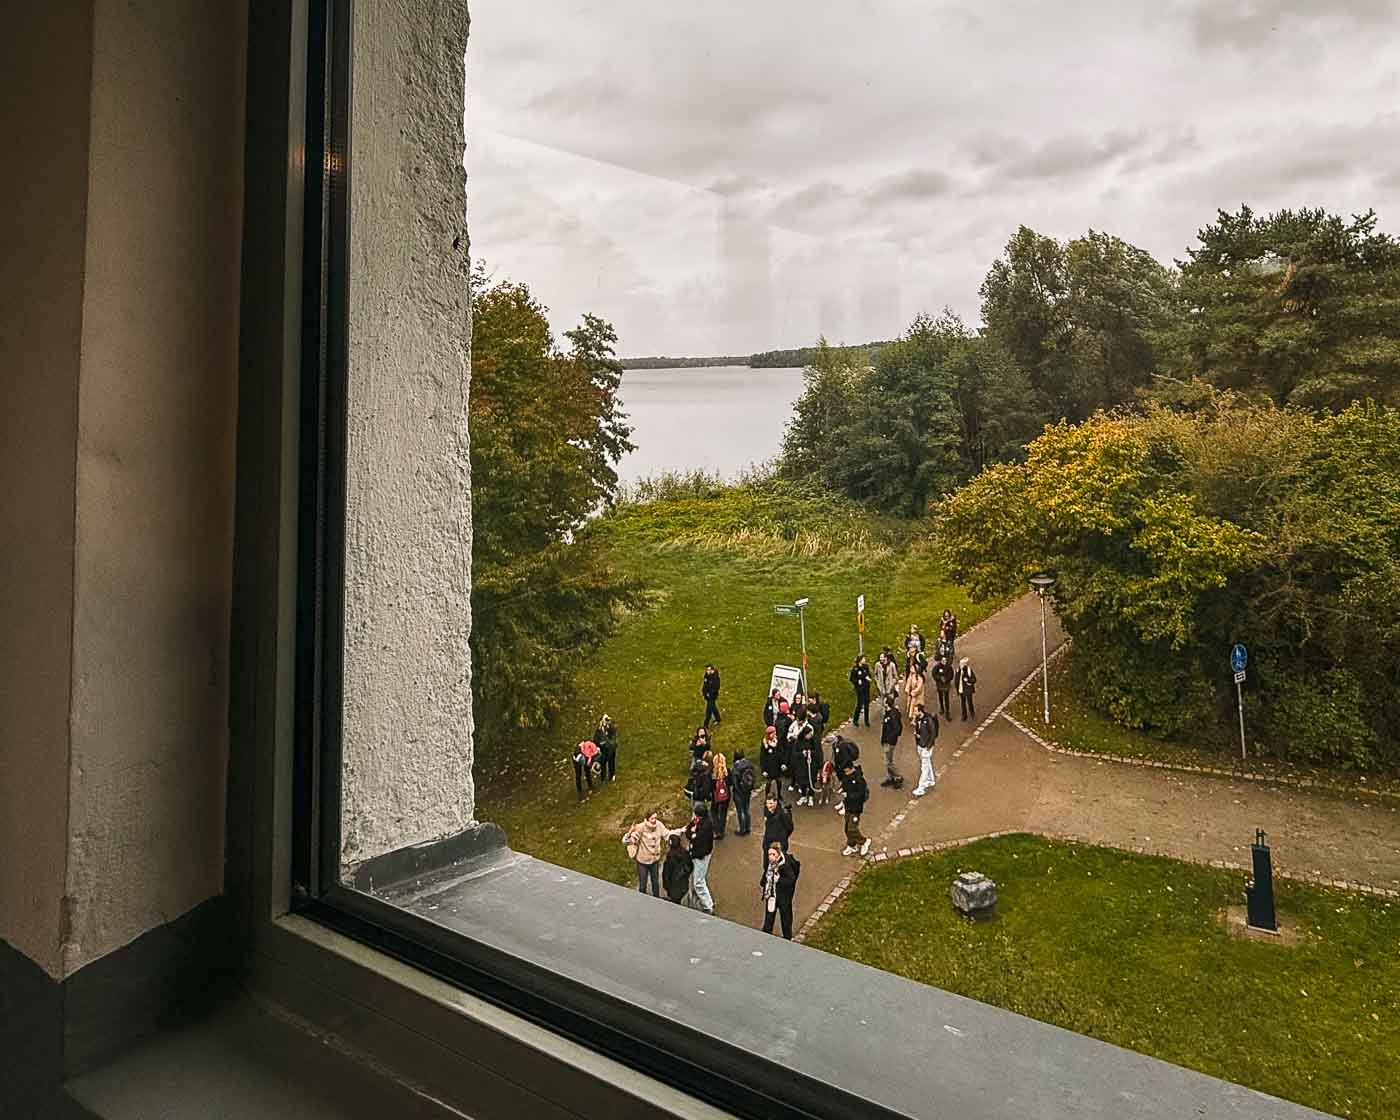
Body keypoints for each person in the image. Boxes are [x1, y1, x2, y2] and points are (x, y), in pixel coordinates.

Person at [622, 810, 672, 896]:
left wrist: (682, 830)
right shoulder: (641, 827)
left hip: (654, 861)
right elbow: (627, 841)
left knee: (655, 883)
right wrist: (630, 831)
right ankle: (642, 901)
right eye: (652, 818)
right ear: (647, 819)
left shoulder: (659, 825)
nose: (654, 820)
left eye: (655, 818)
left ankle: (656, 900)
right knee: (643, 884)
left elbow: (667, 834)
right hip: (643, 862)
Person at [758, 842, 800, 939]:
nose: (770, 857)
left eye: (773, 854)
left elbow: (791, 880)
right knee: (769, 918)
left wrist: (778, 880)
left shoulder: (785, 865)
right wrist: (764, 882)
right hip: (772, 895)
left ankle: (787, 938)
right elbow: (767, 874)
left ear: (778, 854)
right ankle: (766, 935)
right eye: (769, 854)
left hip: (783, 897)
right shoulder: (771, 864)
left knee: (785, 919)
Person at [683, 801, 716, 914]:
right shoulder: (699, 821)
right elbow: (689, 831)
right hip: (696, 854)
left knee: (698, 882)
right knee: (697, 879)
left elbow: (695, 839)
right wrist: (691, 832)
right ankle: (703, 901)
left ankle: (708, 906)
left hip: (701, 856)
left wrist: (692, 834)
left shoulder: (706, 826)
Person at [760, 784, 794, 876]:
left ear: (775, 802)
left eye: (771, 804)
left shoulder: (783, 814)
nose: (769, 806)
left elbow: (790, 827)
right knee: (766, 865)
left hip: (779, 844)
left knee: (778, 866)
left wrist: (782, 837)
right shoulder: (767, 810)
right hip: (768, 843)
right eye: (767, 803)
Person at [840, 762, 871, 857]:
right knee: (847, 828)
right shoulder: (846, 777)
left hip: (856, 808)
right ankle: (852, 845)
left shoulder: (859, 780)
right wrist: (842, 789)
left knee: (852, 828)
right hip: (848, 806)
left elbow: (860, 795)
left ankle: (864, 841)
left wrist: (848, 795)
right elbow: (845, 786)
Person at [786, 705, 816, 804]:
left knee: (810, 778)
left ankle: (811, 796)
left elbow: (816, 750)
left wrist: (810, 753)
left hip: (810, 763)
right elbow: (795, 752)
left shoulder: (810, 732)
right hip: (800, 763)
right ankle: (803, 796)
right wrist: (801, 754)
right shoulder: (798, 741)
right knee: (801, 779)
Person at [913, 702, 938, 796]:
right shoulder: (918, 719)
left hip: (926, 746)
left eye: (915, 711)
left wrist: (929, 745)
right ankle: (931, 780)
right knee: (927, 763)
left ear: (920, 711)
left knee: (924, 767)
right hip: (920, 745)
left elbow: (933, 733)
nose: (914, 712)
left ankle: (921, 787)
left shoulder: (928, 720)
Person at [731, 749, 757, 835]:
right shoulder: (749, 764)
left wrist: (736, 791)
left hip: (739, 792)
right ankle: (748, 828)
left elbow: (734, 782)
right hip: (747, 791)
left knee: (740, 811)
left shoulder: (736, 767)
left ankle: (742, 829)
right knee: (746, 809)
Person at [879, 695, 903, 788]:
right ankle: (890, 777)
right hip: (887, 740)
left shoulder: (892, 715)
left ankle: (897, 777)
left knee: (888, 762)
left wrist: (889, 739)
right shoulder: (889, 713)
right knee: (888, 760)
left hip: (889, 741)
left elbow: (897, 729)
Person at [661, 834, 693, 904]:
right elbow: (690, 867)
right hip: (683, 885)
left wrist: (666, 884)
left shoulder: (671, 856)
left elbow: (667, 872)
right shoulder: (685, 853)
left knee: (674, 903)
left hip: (673, 886)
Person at [710, 753, 732, 839]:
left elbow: (710, 786)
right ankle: (721, 831)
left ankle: (716, 830)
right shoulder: (728, 771)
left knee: (713, 811)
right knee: (723, 813)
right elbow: (730, 783)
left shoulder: (713, 773)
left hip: (715, 796)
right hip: (726, 796)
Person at [849, 655, 873, 727]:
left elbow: (868, 675)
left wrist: (867, 678)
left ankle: (866, 720)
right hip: (859, 689)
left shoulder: (865, 667)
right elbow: (852, 679)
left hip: (866, 688)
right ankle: (855, 720)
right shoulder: (855, 669)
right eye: (863, 659)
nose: (865, 660)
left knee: (866, 704)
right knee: (859, 704)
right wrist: (857, 682)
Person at [594, 713, 618, 782]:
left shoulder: (611, 728)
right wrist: (600, 744)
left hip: (610, 749)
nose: (607, 722)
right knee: (603, 764)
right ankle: (603, 777)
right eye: (605, 720)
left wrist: (610, 743)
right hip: (603, 750)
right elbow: (595, 740)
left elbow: (613, 737)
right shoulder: (598, 730)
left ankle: (612, 775)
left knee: (611, 763)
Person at [955, 657, 978, 721]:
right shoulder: (958, 670)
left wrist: (968, 680)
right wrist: (957, 688)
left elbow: (974, 679)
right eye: (960, 664)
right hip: (961, 689)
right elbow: (956, 679)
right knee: (963, 703)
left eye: (962, 664)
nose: (960, 665)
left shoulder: (969, 670)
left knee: (969, 702)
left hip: (968, 690)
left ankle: (972, 712)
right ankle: (964, 715)